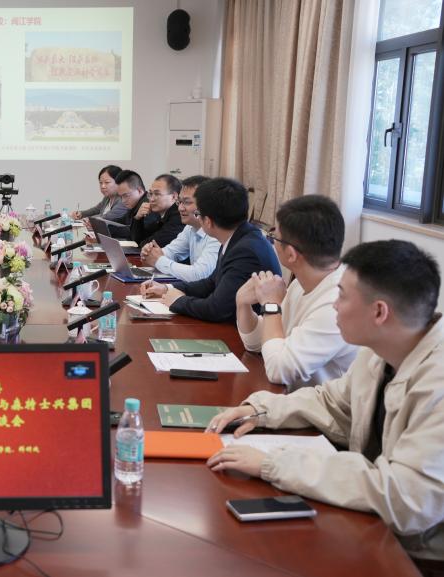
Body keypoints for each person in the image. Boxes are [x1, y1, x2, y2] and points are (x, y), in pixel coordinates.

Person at [207, 240, 444, 565]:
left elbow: (406, 497)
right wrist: (260, 410)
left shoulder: (436, 381)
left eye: (342, 295)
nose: (334, 304)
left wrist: (273, 464)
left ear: (379, 312)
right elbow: (333, 402)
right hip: (374, 525)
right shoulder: (382, 348)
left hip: (417, 554)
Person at [236, 195, 357, 388]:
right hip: (292, 397)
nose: (271, 241)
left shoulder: (336, 303)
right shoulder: (301, 283)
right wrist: (242, 304)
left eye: (274, 236)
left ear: (291, 254)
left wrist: (271, 305)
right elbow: (260, 344)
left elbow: (278, 371)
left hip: (321, 406)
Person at [140, 177, 280, 322]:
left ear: (207, 221)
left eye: (198, 214)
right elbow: (210, 283)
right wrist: (167, 289)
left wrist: (178, 301)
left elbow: (217, 309)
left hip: (242, 331)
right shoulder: (236, 236)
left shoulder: (245, 250)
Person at [139, 175, 220, 282]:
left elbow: (199, 274)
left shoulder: (218, 232)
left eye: (187, 202)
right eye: (180, 202)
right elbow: (170, 252)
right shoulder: (190, 227)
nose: (180, 208)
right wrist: (150, 252)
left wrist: (158, 260)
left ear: (206, 204)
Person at [131, 173, 184, 247]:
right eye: (150, 194)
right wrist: (138, 218)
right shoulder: (159, 214)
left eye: (157, 194)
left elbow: (151, 244)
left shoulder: (178, 217)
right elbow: (137, 240)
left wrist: (142, 242)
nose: (151, 199)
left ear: (174, 196)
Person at [109, 169, 148, 240]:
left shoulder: (146, 207)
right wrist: (102, 225)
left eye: (126, 195)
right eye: (121, 197)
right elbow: (121, 221)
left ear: (139, 191)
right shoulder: (134, 205)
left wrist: (105, 228)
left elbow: (133, 235)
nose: (123, 201)